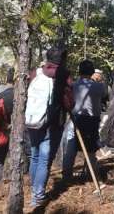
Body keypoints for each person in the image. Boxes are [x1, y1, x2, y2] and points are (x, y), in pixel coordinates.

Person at [26, 47, 73, 208]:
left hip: (32, 121)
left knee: (34, 156)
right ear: (62, 59)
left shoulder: (36, 72)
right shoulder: (63, 75)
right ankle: (37, 196)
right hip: (52, 123)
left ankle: (34, 190)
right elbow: (68, 101)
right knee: (44, 160)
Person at [62, 60, 108, 182]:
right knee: (91, 150)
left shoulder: (74, 85)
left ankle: (66, 175)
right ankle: (91, 174)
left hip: (77, 119)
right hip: (91, 121)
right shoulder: (98, 86)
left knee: (71, 149)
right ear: (92, 72)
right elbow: (104, 94)